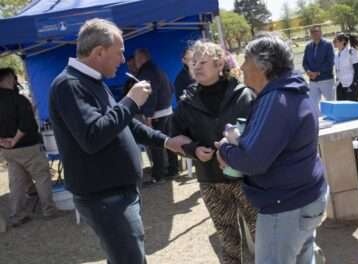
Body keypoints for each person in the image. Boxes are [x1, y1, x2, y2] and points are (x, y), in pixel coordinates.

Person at [49, 18, 190, 264]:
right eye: (120, 53)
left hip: (117, 193)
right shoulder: (69, 85)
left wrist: (166, 141)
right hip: (104, 197)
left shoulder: (91, 81)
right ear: (99, 52)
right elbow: (93, 136)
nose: (124, 60)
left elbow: (125, 124)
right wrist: (130, 101)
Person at [216, 32, 328, 264]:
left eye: (246, 60)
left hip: (285, 206)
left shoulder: (275, 99)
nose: (242, 66)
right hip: (304, 197)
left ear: (263, 66)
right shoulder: (292, 90)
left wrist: (225, 150)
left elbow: (253, 162)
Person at [172, 40, 257, 264]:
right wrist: (192, 149)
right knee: (228, 242)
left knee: (263, 235)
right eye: (193, 63)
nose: (197, 67)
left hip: (248, 179)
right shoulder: (186, 102)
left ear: (220, 64)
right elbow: (175, 136)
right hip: (211, 180)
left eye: (203, 62)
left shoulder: (245, 95)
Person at [0, 67, 59, 227]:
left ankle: (17, 215)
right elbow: (27, 124)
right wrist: (15, 139)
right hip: (27, 147)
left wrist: (4, 142)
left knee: (16, 182)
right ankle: (49, 210)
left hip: (8, 150)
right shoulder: (19, 99)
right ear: (10, 79)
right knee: (42, 177)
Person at [134, 48, 179, 181]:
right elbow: (171, 88)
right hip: (167, 110)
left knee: (156, 144)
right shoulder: (159, 69)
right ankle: (173, 169)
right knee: (168, 142)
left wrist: (148, 115)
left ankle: (158, 175)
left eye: (136, 60)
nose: (136, 63)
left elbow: (149, 96)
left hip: (156, 114)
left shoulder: (147, 72)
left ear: (141, 59)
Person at [302, 25, 335, 114]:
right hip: (312, 81)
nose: (314, 34)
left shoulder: (327, 45)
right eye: (312, 32)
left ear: (321, 33)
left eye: (317, 31)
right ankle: (317, 123)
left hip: (326, 79)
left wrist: (318, 73)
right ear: (310, 34)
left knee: (331, 103)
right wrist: (308, 72)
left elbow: (330, 62)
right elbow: (305, 62)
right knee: (313, 104)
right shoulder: (308, 47)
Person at [334, 33, 358, 101]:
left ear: (343, 41)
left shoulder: (351, 51)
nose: (333, 43)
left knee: (352, 107)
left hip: (351, 84)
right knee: (341, 107)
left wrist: (353, 84)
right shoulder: (336, 54)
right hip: (341, 84)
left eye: (335, 41)